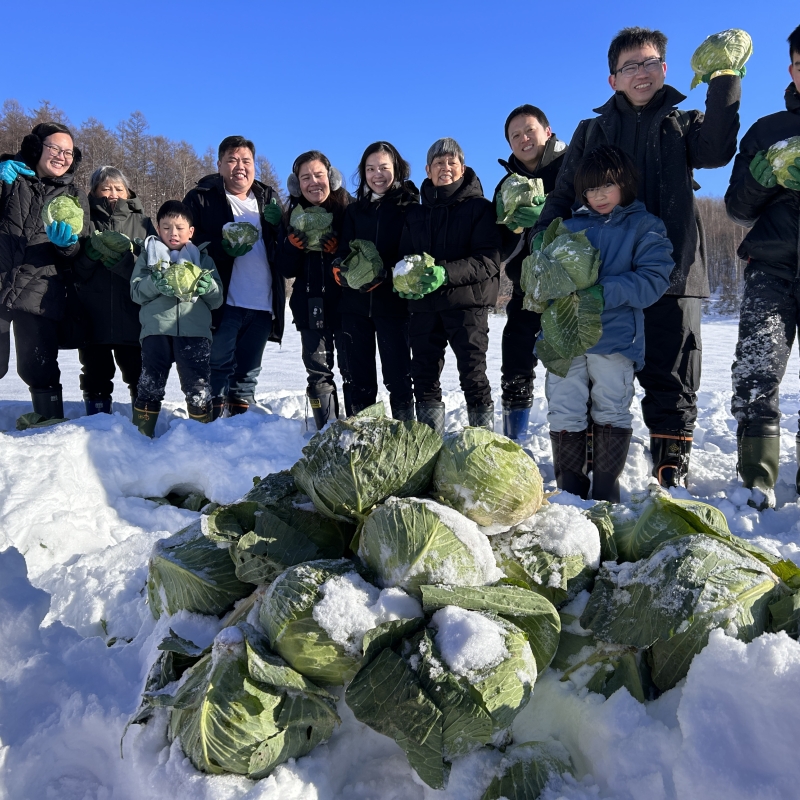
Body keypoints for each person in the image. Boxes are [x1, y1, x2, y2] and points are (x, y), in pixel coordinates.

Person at [531, 26, 742, 487]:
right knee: (594, 371)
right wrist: (542, 246)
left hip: (672, 271)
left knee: (672, 371)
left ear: (664, 70)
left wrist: (724, 80)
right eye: (630, 66)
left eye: (649, 63)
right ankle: (587, 464)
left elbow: (717, 151)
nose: (640, 73)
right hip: (597, 280)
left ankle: (670, 463)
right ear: (613, 79)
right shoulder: (591, 130)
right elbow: (564, 194)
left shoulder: (682, 123)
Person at [543, 146, 674, 502]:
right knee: (564, 404)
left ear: (626, 184)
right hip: (566, 337)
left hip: (614, 336)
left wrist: (604, 292)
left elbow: (654, 278)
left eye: (608, 186)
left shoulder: (644, 226)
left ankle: (605, 485)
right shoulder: (566, 228)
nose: (598, 196)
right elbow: (546, 281)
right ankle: (569, 486)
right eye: (590, 189)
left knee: (612, 406)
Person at [724, 24, 800, 510]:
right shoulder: (767, 131)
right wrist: (762, 176)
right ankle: (758, 476)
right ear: (793, 69)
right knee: (757, 372)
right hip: (771, 268)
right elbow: (736, 208)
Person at [397, 137, 501, 435]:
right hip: (424, 307)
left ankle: (483, 444)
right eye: (439, 163)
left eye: (452, 162)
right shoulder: (415, 213)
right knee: (424, 376)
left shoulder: (480, 208)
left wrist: (444, 273)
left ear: (462, 167)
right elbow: (403, 256)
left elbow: (488, 261)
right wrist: (403, 280)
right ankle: (431, 443)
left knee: (473, 375)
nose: (446, 168)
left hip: (467, 305)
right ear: (428, 170)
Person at [183, 135, 285, 419]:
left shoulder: (268, 198)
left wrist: (280, 227)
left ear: (254, 165)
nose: (239, 166)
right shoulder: (201, 197)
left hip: (263, 301)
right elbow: (184, 241)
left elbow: (284, 248)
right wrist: (221, 248)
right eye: (232, 160)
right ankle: (210, 424)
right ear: (219, 165)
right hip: (223, 300)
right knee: (217, 364)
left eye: (246, 160)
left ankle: (240, 425)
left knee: (248, 372)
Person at [0, 122, 89, 419]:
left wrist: (67, 246)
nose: (62, 156)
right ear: (36, 148)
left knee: (38, 366)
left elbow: (79, 250)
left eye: (68, 152)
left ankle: (49, 426)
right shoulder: (10, 177)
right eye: (55, 148)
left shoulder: (74, 195)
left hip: (38, 290)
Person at [493, 104, 567, 441]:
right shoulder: (507, 185)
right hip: (528, 286)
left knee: (574, 367)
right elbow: (500, 251)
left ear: (547, 132)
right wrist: (513, 230)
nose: (524, 139)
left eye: (529, 130)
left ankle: (576, 440)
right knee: (515, 356)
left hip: (572, 284)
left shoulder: (573, 167)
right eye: (515, 135)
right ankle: (515, 439)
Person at [333, 141, 417, 420]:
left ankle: (405, 439)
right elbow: (344, 250)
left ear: (397, 169)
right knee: (360, 381)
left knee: (399, 380)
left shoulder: (408, 207)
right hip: (355, 307)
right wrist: (340, 268)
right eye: (370, 169)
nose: (377, 174)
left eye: (383, 167)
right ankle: (363, 440)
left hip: (393, 307)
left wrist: (389, 273)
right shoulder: (355, 211)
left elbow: (413, 253)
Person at [130, 200, 222, 436]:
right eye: (167, 227)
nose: (173, 233)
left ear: (190, 231)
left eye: (180, 228)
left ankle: (201, 438)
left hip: (195, 333)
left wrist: (207, 286)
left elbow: (217, 299)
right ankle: (141, 436)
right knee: (151, 384)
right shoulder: (148, 257)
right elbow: (136, 293)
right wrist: (155, 283)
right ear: (158, 229)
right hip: (156, 330)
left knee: (198, 387)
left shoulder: (203, 259)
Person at [73, 166, 156, 415]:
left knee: (137, 372)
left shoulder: (143, 223)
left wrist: (125, 265)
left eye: (118, 188)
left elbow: (154, 270)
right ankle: (97, 423)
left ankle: (144, 423)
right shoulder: (83, 221)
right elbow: (72, 271)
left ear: (127, 191)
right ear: (94, 191)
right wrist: (87, 257)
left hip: (132, 316)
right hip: (92, 316)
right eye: (105, 187)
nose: (112, 193)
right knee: (95, 374)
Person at [277, 150, 350, 429]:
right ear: (297, 184)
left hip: (345, 305)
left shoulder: (347, 209)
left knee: (351, 369)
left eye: (319, 175)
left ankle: (356, 429)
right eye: (305, 177)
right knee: (318, 371)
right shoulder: (290, 216)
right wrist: (291, 247)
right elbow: (285, 269)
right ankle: (326, 430)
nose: (313, 182)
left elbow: (357, 254)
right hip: (309, 305)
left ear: (331, 178)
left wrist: (338, 252)